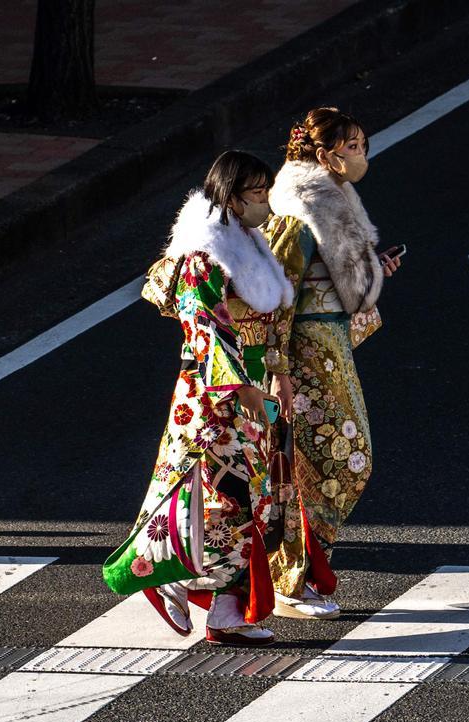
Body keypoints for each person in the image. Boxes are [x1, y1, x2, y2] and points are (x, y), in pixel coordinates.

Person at [103, 151, 293, 646]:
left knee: (249, 498)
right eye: (258, 194)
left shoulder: (251, 244)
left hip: (247, 390)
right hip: (212, 395)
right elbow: (203, 328)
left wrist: (277, 373)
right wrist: (242, 387)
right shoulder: (204, 255)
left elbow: (266, 324)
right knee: (229, 497)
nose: (266, 203)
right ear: (231, 198)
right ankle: (172, 573)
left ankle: (217, 603)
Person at [263, 107, 402, 619]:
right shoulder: (299, 215)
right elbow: (274, 299)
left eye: (362, 143)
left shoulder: (333, 205)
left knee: (334, 462)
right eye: (354, 145)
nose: (362, 153)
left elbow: (333, 292)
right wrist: (276, 369)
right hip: (302, 358)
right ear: (326, 156)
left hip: (329, 350)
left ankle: (304, 575)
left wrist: (370, 272)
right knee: (333, 461)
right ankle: (291, 579)